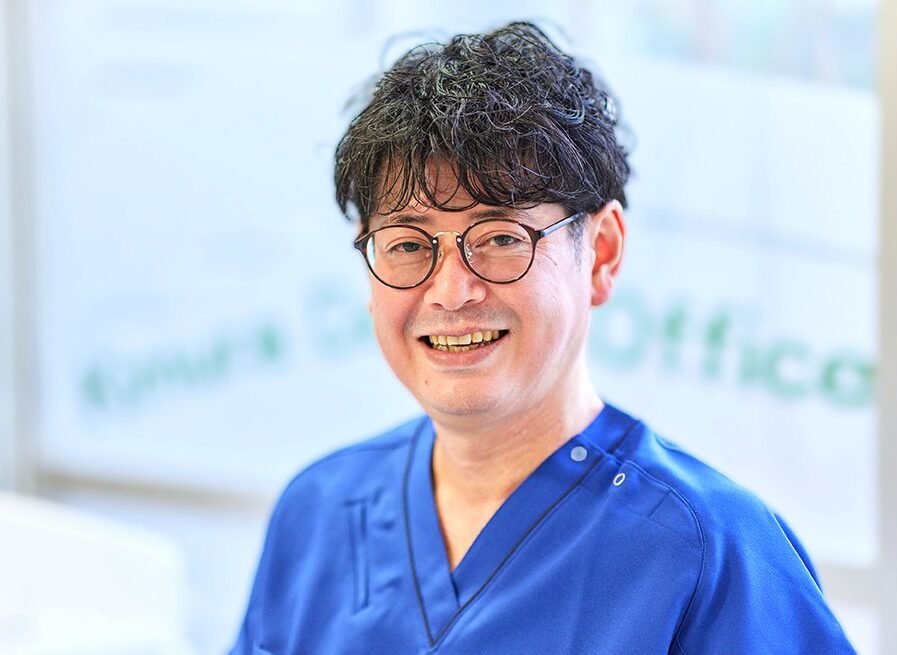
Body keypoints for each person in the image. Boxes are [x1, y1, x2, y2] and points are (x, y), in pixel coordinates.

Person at [230, 21, 856, 654]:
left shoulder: (709, 551)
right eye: (408, 245)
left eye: (501, 238)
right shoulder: (320, 513)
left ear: (602, 252)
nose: (451, 292)